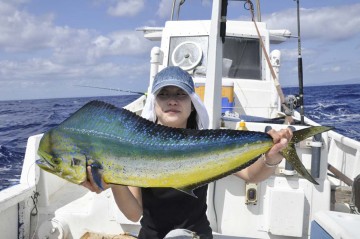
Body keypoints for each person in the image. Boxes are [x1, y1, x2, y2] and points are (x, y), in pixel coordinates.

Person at [82, 66, 293, 239]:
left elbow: (251, 175)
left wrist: (270, 158)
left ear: (192, 105)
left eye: (180, 94)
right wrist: (112, 181)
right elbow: (134, 213)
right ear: (154, 104)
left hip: (196, 235)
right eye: (163, 94)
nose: (172, 100)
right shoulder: (137, 148)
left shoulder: (206, 144)